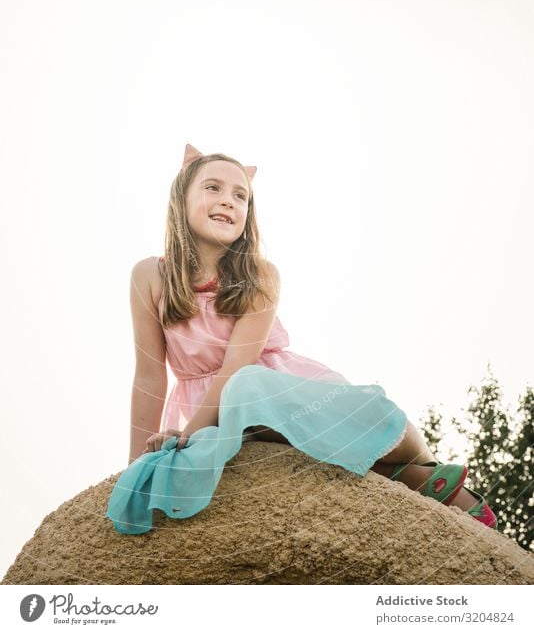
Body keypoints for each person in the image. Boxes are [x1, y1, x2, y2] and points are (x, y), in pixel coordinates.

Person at [119, 143, 496, 532]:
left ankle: (420, 464)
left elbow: (237, 369)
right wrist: (133, 468)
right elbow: (149, 375)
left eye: (240, 195)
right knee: (242, 446)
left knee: (292, 404)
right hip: (210, 410)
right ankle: (414, 479)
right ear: (180, 200)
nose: (228, 201)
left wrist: (189, 433)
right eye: (212, 187)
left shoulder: (260, 276)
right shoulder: (150, 276)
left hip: (268, 393)